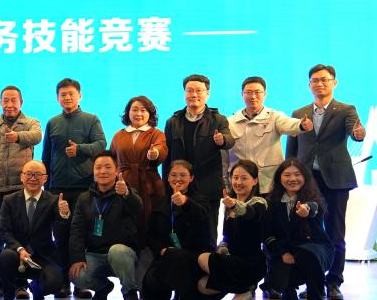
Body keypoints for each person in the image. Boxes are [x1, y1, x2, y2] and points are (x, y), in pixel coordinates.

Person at [286, 64, 366, 300]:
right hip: (306, 181)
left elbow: (355, 131)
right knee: (307, 231)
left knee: (335, 231)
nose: (319, 84)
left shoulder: (346, 110)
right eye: (315, 80)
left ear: (334, 82)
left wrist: (359, 133)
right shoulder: (299, 112)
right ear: (309, 84)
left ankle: (334, 281)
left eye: (324, 79)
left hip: (336, 179)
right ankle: (313, 281)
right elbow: (292, 148)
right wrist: (289, 174)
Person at [42, 78, 106, 298]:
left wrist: (80, 149)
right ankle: (63, 283)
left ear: (80, 96)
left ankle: (80, 282)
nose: (67, 98)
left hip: (84, 189)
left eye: (71, 94)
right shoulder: (53, 122)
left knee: (81, 236)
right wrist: (47, 186)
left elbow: (101, 145)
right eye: (63, 95)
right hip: (57, 189)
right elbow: (46, 156)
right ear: (57, 98)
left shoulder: (91, 119)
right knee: (60, 236)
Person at [0, 85, 42, 300]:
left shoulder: (31, 123)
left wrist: (18, 137)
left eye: (14, 100)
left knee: (20, 238)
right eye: (5, 100)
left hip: (20, 190)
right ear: (0, 103)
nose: (9, 104)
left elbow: (37, 136)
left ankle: (20, 284)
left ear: (21, 102)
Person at [163, 74, 234, 244]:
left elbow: (229, 140)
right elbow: (167, 156)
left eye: (199, 91)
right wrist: (167, 185)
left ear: (207, 93)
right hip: (180, 187)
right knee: (180, 235)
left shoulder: (218, 119)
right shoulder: (173, 121)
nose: (194, 94)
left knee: (208, 236)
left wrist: (222, 140)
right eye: (189, 91)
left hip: (207, 187)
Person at [66, 151, 142, 300]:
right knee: (76, 275)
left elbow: (138, 210)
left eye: (108, 167)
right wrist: (77, 258)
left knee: (117, 251)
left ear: (117, 170)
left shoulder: (125, 191)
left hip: (122, 254)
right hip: (95, 254)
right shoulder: (84, 198)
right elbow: (77, 230)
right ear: (93, 171)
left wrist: (126, 194)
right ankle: (103, 288)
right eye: (98, 167)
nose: (102, 171)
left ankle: (130, 292)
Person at [141, 160, 218, 300]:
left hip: (193, 258)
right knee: (151, 296)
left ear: (191, 178)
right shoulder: (161, 203)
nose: (178, 179)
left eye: (183, 175)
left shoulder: (201, 200)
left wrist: (186, 202)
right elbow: (151, 234)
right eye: (173, 175)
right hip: (167, 256)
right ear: (168, 177)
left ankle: (187, 294)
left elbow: (202, 219)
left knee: (178, 257)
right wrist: (161, 249)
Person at [264, 158, 333, 300]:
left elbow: (314, 207)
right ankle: (288, 295)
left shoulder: (314, 198)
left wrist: (306, 210)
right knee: (276, 278)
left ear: (305, 177)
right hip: (287, 250)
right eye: (287, 175)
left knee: (307, 254)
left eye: (297, 174)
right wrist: (283, 253)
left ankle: (316, 298)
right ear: (279, 178)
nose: (292, 179)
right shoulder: (271, 202)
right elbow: (268, 235)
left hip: (316, 249)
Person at [197, 160, 268, 300]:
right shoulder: (229, 205)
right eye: (235, 177)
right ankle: (243, 290)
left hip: (251, 263)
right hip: (233, 260)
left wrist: (235, 205)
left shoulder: (259, 203)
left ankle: (244, 290)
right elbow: (226, 237)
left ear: (255, 181)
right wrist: (221, 248)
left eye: (244, 178)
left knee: (203, 258)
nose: (238, 182)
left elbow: (250, 213)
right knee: (202, 285)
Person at [0, 160, 65, 300]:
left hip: (43, 255)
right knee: (5, 256)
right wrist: (20, 249)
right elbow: (4, 231)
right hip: (17, 253)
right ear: (22, 177)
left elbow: (62, 227)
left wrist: (64, 214)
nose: (33, 178)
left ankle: (37, 290)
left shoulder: (53, 200)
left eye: (38, 175)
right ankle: (8, 296)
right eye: (29, 174)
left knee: (55, 283)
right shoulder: (9, 200)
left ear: (45, 178)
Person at [108, 96, 167, 263]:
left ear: (150, 114)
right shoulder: (119, 135)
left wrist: (155, 154)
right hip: (124, 183)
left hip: (149, 184)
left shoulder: (156, 133)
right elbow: (111, 159)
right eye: (134, 109)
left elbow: (161, 149)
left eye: (143, 110)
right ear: (128, 113)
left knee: (150, 224)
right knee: (125, 222)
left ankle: (151, 265)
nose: (138, 113)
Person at [224, 76, 304, 195]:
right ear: (242, 94)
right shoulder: (230, 121)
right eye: (248, 92)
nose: (253, 96)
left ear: (265, 94)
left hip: (268, 184)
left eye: (257, 92)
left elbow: (290, 125)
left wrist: (301, 125)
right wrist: (225, 183)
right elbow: (224, 158)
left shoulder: (274, 116)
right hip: (240, 185)